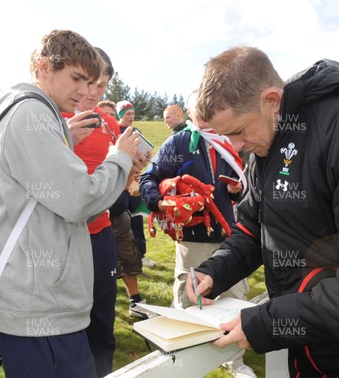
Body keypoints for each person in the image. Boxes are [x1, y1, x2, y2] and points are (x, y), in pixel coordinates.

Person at [187, 47, 339, 377]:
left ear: (272, 100)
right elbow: (254, 225)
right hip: (315, 348)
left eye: (237, 131)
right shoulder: (271, 137)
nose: (236, 147)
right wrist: (217, 270)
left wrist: (271, 323)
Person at [0, 30, 143, 378]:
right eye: (76, 78)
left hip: (43, 302)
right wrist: (118, 159)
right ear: (43, 67)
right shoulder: (29, 114)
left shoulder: (35, 112)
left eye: (91, 82)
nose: (87, 92)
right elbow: (79, 200)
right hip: (40, 307)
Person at [140, 92, 254, 378]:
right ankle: (183, 360)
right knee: (190, 299)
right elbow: (148, 177)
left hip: (232, 236)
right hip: (193, 239)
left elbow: (243, 184)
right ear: (191, 111)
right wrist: (159, 202)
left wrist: (237, 191)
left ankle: (234, 361)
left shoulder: (230, 139)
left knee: (233, 297)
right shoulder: (180, 141)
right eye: (199, 107)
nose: (205, 112)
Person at [62, 47, 122, 377]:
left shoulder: (111, 124)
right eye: (89, 83)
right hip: (59, 238)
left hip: (100, 233)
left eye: (102, 86)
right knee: (63, 319)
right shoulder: (50, 117)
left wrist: (131, 169)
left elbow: (121, 179)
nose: (93, 93)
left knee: (101, 318)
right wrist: (63, 138)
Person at [111, 100, 152, 317]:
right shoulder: (107, 136)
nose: (130, 116)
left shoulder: (134, 132)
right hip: (99, 208)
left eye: (133, 113)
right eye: (127, 113)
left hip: (123, 199)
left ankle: (134, 301)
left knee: (129, 249)